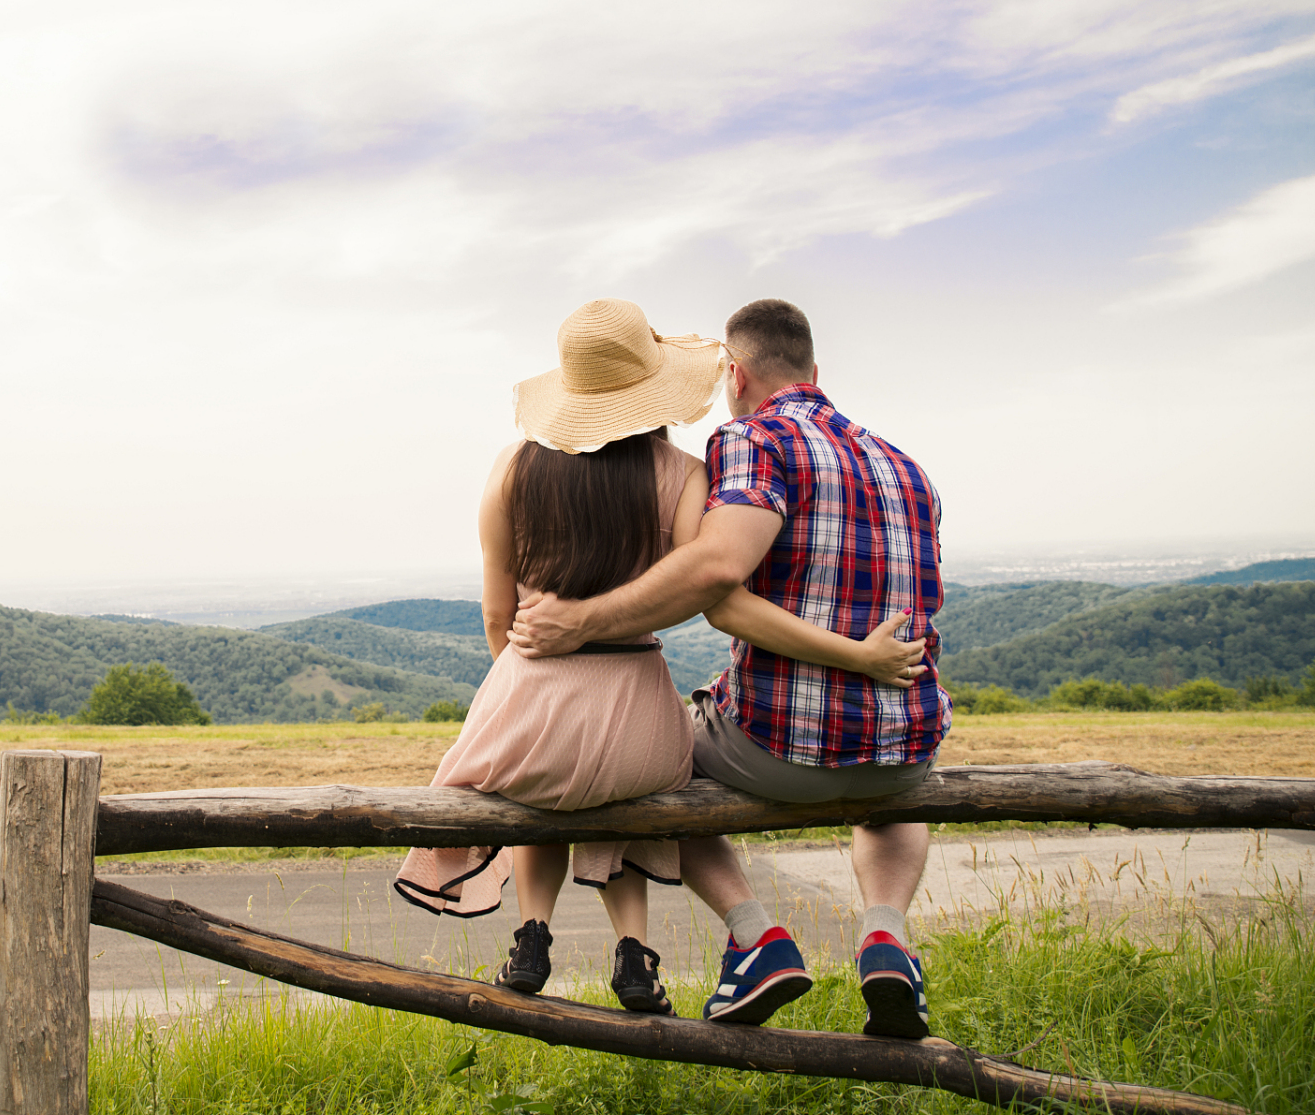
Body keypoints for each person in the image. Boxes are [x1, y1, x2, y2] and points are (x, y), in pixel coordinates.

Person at [394, 298, 925, 1016]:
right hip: (890, 739)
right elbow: (696, 580)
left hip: (535, 692)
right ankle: (652, 951)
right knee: (648, 774)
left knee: (590, 779)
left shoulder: (517, 469)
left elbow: (505, 614)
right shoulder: (876, 464)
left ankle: (549, 932)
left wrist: (530, 680)